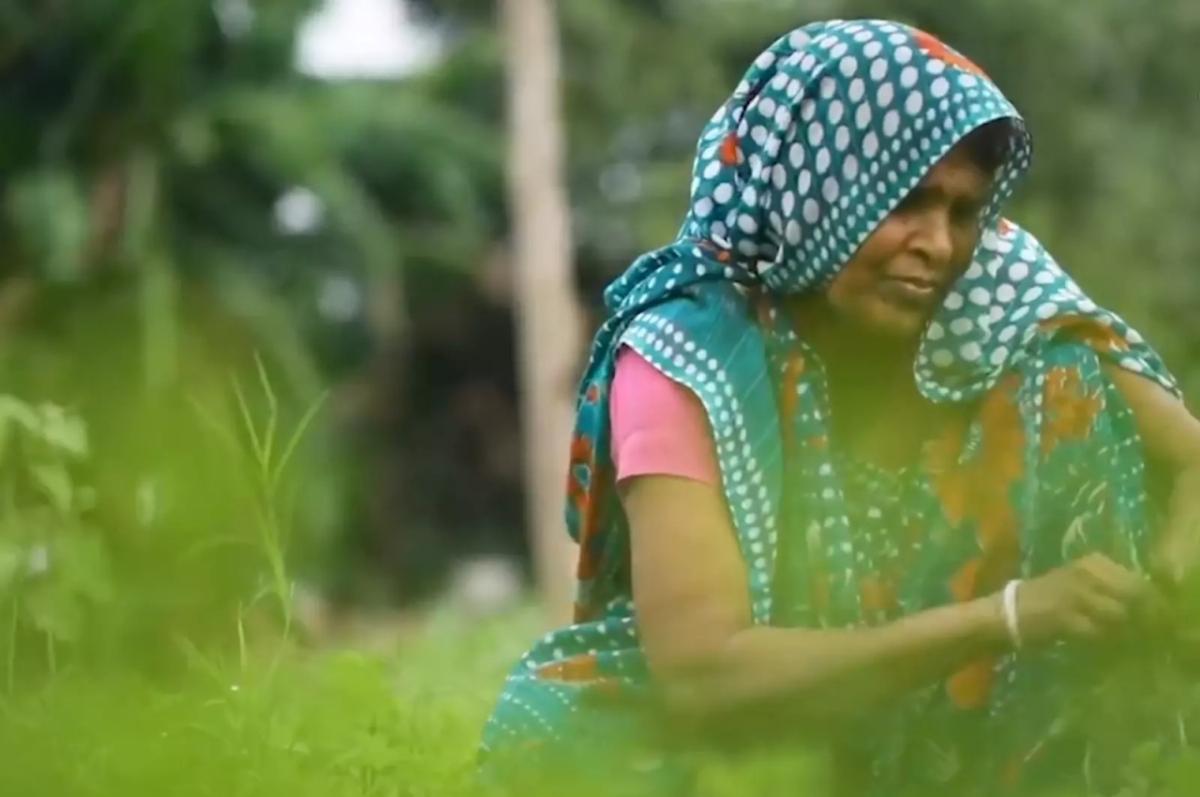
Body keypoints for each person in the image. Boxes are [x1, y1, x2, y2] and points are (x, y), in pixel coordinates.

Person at [480, 18, 1200, 796]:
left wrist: (1167, 587)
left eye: (962, 211)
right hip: (751, 716)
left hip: (959, 702)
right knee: (562, 748)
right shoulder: (688, 351)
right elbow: (703, 671)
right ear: (814, 187)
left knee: (1068, 376)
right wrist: (1009, 616)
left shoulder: (993, 284)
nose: (939, 243)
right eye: (906, 200)